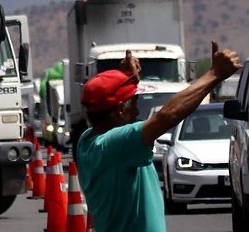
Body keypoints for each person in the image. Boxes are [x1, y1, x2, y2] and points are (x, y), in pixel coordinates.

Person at [75, 41, 241, 232]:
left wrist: (128, 80)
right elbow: (168, 115)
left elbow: (111, 109)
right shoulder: (115, 144)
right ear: (121, 109)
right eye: (134, 102)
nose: (138, 110)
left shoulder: (87, 141)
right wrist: (215, 74)